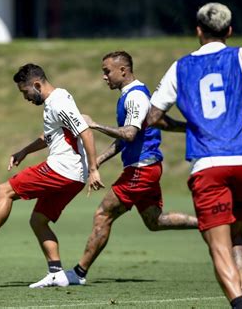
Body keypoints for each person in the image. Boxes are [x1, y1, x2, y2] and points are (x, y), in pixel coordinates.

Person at [146, 3, 242, 309]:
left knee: (218, 246)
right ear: (230, 31)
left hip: (209, 165)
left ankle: (239, 306)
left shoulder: (180, 67)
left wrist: (189, 127)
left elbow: (153, 116)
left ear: (198, 31)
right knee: (237, 236)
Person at [0, 63, 104, 289]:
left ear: (37, 84)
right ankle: (56, 273)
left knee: (5, 190)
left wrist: (94, 169)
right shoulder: (57, 99)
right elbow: (49, 137)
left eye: (25, 92)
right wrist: (24, 151)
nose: (25, 98)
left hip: (61, 169)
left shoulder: (58, 101)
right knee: (38, 220)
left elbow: (86, 132)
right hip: (73, 178)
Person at [60, 51, 198, 286]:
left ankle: (78, 273)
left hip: (140, 170)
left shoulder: (136, 97)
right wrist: (98, 161)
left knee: (103, 214)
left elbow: (130, 133)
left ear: (123, 70)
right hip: (146, 167)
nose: (104, 77)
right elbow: (125, 139)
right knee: (155, 221)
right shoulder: (129, 96)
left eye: (107, 71)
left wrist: (93, 124)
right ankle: (207, 221)